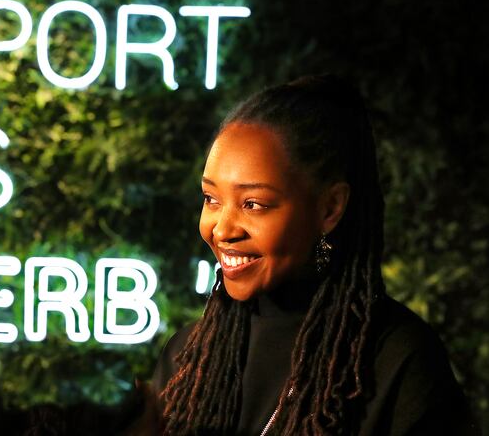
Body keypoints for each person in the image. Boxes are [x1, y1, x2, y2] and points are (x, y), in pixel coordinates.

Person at [140, 75, 480, 435]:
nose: (223, 230)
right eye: (212, 199)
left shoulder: (398, 361)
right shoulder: (186, 357)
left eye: (253, 204)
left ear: (330, 208)